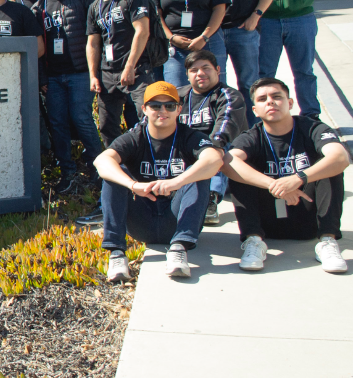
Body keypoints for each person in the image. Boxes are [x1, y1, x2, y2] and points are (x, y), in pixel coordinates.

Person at [91, 82, 222, 282]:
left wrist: (177, 182)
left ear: (179, 109)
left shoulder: (190, 136)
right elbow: (101, 161)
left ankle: (179, 249)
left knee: (198, 172)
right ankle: (117, 254)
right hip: (142, 221)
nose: (163, 111)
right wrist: (134, 185)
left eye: (169, 106)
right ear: (144, 109)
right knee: (114, 175)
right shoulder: (135, 137)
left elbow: (214, 160)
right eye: (155, 106)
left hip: (177, 218)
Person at [224, 78, 349, 273]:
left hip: (310, 217)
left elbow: (340, 157)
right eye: (263, 99)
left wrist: (297, 179)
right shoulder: (253, 136)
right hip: (266, 222)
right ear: (255, 110)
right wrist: (274, 185)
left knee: (330, 166)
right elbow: (227, 162)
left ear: (290, 103)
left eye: (276, 97)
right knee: (240, 168)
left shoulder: (312, 128)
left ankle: (327, 241)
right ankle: (253, 241)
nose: (270, 102)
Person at [34, 0, 105, 193]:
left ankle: (102, 169)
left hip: (80, 72)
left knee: (82, 119)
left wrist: (97, 71)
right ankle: (67, 173)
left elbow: (97, 35)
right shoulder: (38, 7)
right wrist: (43, 79)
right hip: (53, 77)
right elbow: (38, 49)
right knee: (58, 124)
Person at [86, 0, 155, 145]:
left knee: (148, 116)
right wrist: (93, 75)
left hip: (137, 67)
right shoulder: (94, 7)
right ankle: (116, 169)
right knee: (107, 125)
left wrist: (130, 66)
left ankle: (149, 160)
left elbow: (142, 31)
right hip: (108, 72)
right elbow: (93, 43)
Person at [177, 50, 247, 226]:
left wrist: (210, 151)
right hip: (188, 154)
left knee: (218, 149)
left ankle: (210, 198)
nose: (200, 73)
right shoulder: (178, 96)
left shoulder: (229, 95)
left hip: (221, 159)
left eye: (205, 68)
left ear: (217, 70)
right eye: (194, 70)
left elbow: (225, 129)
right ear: (187, 75)